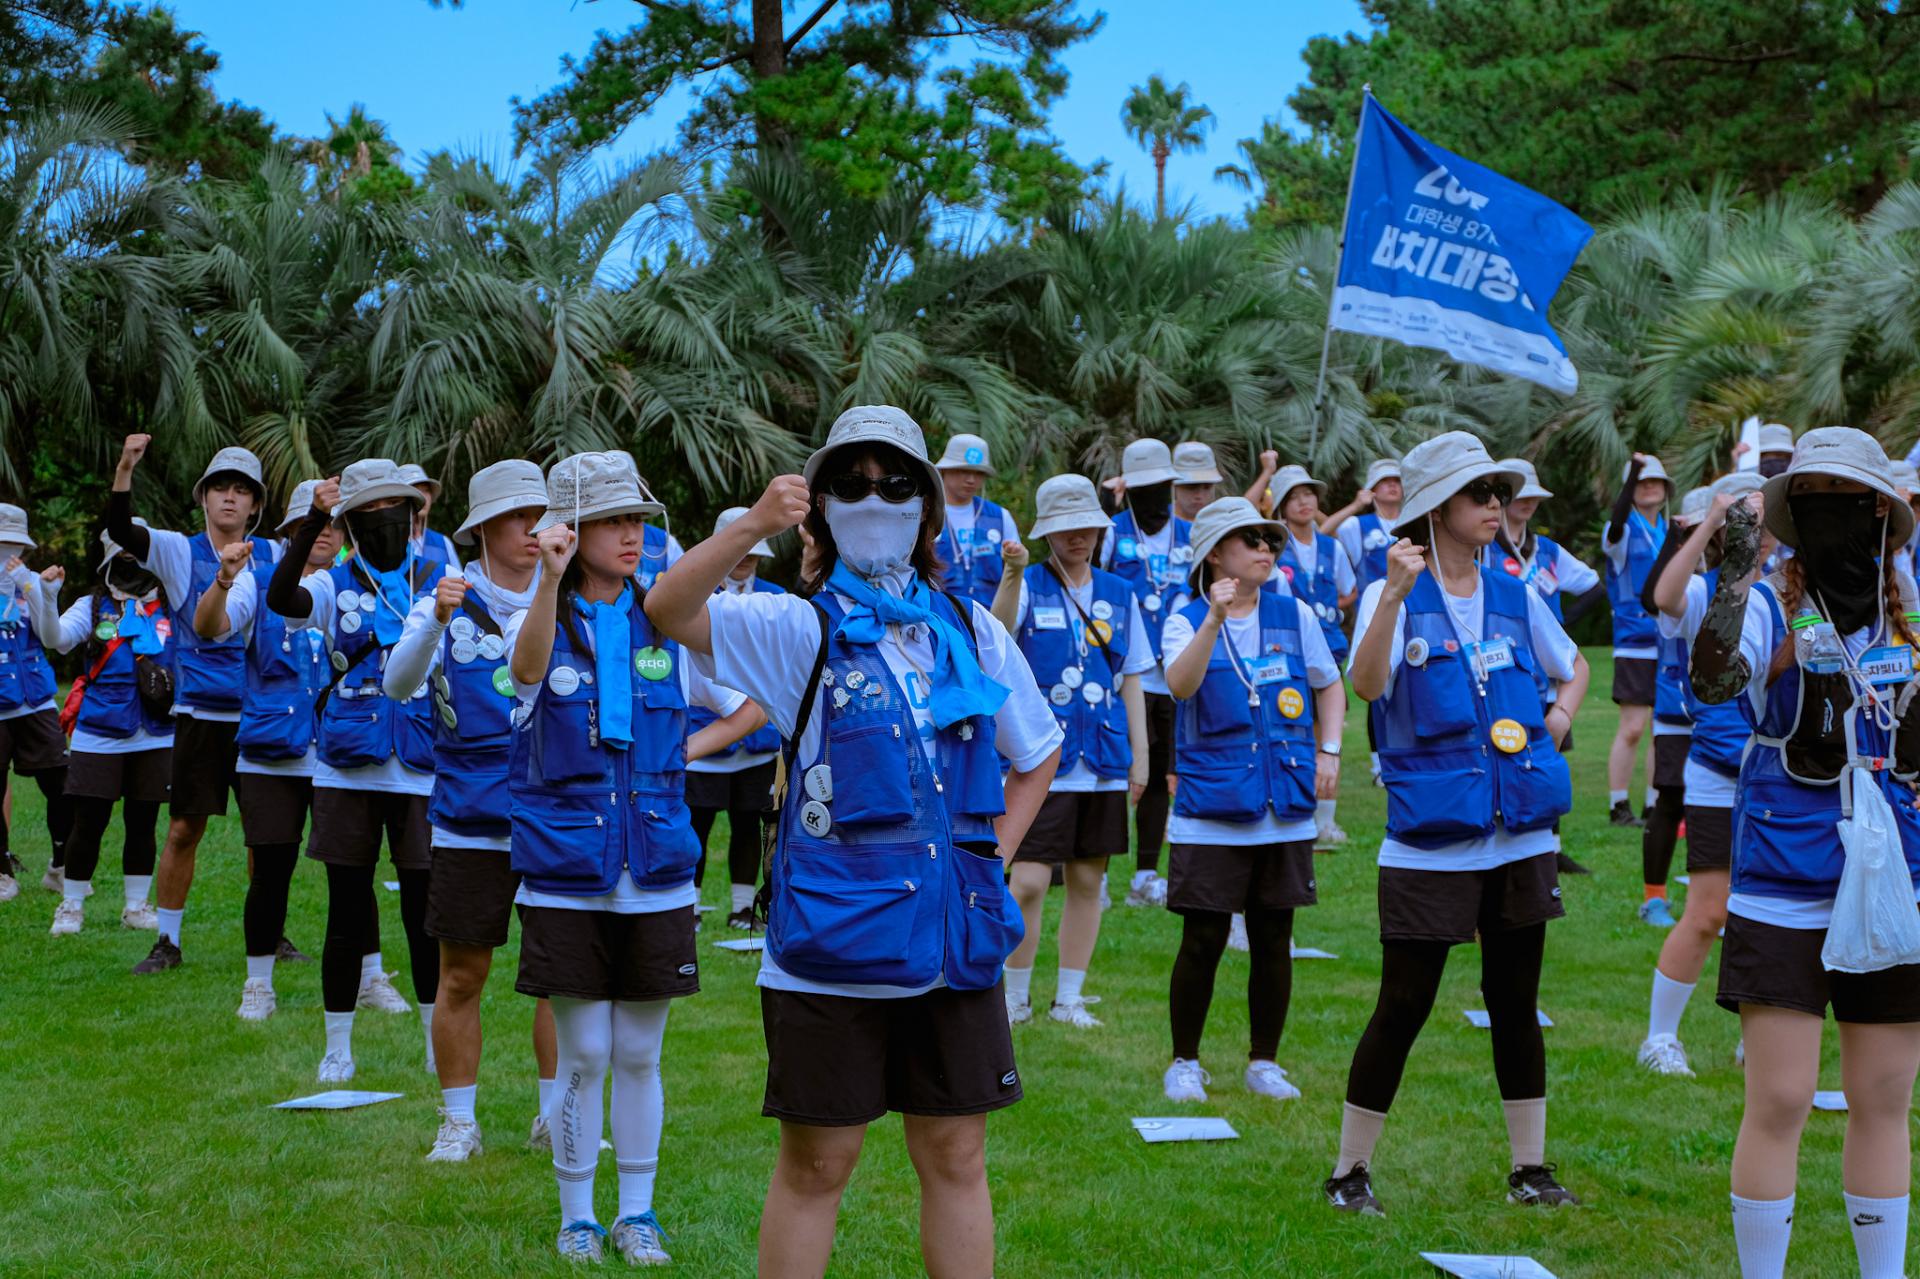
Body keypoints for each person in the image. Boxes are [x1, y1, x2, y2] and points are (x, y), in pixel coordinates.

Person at [645, 405, 1061, 1279]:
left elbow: (1038, 750)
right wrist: (755, 525)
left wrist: (987, 860)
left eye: (896, 481)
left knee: (956, 1154)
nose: (875, 498)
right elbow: (670, 607)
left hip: (951, 942)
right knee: (817, 1165)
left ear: (927, 507)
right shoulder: (795, 628)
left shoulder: (970, 628)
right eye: (851, 482)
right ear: (822, 506)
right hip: (829, 948)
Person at [507, 451, 763, 1263]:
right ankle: (577, 1216)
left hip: (655, 870)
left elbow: (752, 703)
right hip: (566, 871)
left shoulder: (668, 620)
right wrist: (547, 580)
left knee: (642, 1053)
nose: (632, 535)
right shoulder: (541, 610)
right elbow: (525, 672)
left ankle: (636, 1213)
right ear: (570, 530)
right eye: (614, 520)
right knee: (584, 1052)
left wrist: (685, 750)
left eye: (638, 521)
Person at [1325, 432, 1588, 1218]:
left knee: (1516, 1001)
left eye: (1497, 491)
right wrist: (1393, 597)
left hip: (1522, 837)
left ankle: (1531, 1168)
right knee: (1402, 1004)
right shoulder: (1392, 592)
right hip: (1430, 842)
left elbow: (1573, 664)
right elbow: (1367, 684)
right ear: (1437, 509)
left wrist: (1557, 720)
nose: (1495, 505)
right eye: (1479, 493)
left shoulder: (1513, 590)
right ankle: (1348, 1174)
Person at [1689, 427, 1920, 1279]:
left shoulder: (1911, 615)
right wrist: (1732, 570)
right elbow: (1713, 680)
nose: (1833, 517)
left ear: (1882, 514)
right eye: (1813, 499)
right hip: (1783, 881)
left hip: (1894, 884)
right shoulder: (1765, 605)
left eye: (1849, 500)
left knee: (1884, 1096)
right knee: (1781, 1097)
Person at [382, 459, 560, 1161]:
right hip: (469, 821)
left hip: (553, 818)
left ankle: (555, 1118)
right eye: (519, 517)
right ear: (483, 527)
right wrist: (435, 618)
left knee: (560, 980)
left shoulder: (566, 596)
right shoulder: (443, 598)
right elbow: (397, 685)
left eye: (541, 516)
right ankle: (459, 1121)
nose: (534, 530)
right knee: (460, 975)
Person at [266, 460, 446, 1083]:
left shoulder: (440, 580)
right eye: (364, 513)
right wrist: (313, 518)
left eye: (391, 508)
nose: (382, 522)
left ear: (411, 514)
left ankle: (436, 1042)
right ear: (347, 524)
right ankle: (337, 1047)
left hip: (422, 769)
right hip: (346, 769)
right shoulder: (330, 584)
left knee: (425, 916)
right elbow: (280, 598)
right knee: (346, 913)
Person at [1159, 497, 1343, 1104]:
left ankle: (1264, 1062)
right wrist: (1214, 619)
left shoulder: (1294, 614)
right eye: (1252, 540)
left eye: (1271, 541)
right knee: (1203, 940)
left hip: (1283, 804)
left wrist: (1330, 750)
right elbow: (1179, 685)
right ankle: (1185, 1062)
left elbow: (1329, 684)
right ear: (1216, 553)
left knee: (1273, 940)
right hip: (1212, 807)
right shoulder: (1185, 618)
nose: (1267, 549)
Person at [106, 436, 278, 974]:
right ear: (203, 497)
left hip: (260, 716)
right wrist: (125, 469)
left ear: (255, 504)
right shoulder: (179, 551)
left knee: (266, 835)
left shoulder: (274, 554)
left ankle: (271, 932)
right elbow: (122, 530)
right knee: (184, 830)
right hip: (202, 715)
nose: (230, 497)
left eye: (242, 490)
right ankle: (167, 941)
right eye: (220, 487)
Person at [990, 474, 1151, 1029]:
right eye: (1064, 529)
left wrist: (1140, 757)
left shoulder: (1120, 592)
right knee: (1028, 882)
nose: (1077, 537)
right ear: (1046, 534)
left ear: (1100, 529)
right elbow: (998, 634)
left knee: (1088, 882)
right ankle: (1015, 996)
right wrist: (1012, 574)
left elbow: (1132, 677)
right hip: (1041, 763)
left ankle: (1069, 998)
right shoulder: (1030, 583)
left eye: (1086, 526)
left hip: (1104, 760)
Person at [193, 480, 338, 1019]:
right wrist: (223, 579)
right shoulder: (256, 582)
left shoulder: (356, 587)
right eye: (310, 525)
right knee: (271, 872)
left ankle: (370, 976)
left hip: (341, 754)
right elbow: (210, 627)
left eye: (333, 525)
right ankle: (258, 985)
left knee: (350, 872)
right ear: (290, 533)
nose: (322, 534)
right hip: (271, 756)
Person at [1639, 473, 1767, 1078]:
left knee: (1769, 911)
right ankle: (1660, 1038)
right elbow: (1661, 596)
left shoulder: (1791, 590)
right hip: (1718, 772)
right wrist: (1710, 519)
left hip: (1779, 777)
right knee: (1709, 911)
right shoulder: (1701, 590)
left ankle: (1760, 1036)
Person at [46, 522, 176, 936]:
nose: (132, 563)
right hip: (99, 730)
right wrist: (45, 597)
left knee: (143, 822)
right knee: (89, 822)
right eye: (123, 555)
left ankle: (136, 907)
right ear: (107, 561)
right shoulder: (90, 605)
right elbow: (56, 639)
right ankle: (71, 905)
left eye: (139, 555)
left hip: (156, 730)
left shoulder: (173, 604)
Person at [1100, 438, 1192, 908]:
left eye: (1160, 486)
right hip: (1126, 674)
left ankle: (1145, 875)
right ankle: (1096, 874)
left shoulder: (1191, 534)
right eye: (1143, 488)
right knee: (1118, 772)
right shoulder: (1112, 532)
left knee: (1158, 776)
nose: (1154, 496)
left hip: (1175, 675)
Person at [685, 506, 785, 931]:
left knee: (749, 823)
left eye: (753, 553)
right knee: (696, 825)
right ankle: (688, 905)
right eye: (739, 550)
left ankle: (744, 908)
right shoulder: (692, 594)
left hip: (758, 738)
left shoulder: (778, 599)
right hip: (705, 728)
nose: (745, 560)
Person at [1634, 485, 1711, 926]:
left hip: (1727, 712)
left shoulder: (1742, 572)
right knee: (1671, 800)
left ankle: (1716, 896)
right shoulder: (1676, 572)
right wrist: (1677, 539)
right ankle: (1654, 898)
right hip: (1677, 708)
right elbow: (1651, 598)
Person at [1267, 464, 1354, 848]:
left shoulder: (1332, 548)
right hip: (1285, 654)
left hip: (1328, 650)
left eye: (1309, 494)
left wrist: (1327, 613)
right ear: (1280, 506)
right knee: (1289, 729)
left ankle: (1325, 821)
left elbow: (1348, 590)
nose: (1304, 502)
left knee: (1327, 735)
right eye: (1293, 496)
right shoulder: (1271, 547)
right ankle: (1291, 808)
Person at [0, 505, 73, 905]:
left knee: (62, 787)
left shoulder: (28, 581)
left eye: (15, 546)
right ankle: (1, 871)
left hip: (37, 701)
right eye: (2, 544)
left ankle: (60, 866)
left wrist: (38, 591)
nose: (9, 553)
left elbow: (50, 637)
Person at [1602, 452, 1674, 828]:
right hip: (1633, 640)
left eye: (1655, 481)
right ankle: (1618, 805)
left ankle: (1653, 803)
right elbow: (1615, 525)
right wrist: (1632, 472)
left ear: (1666, 490)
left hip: (1667, 640)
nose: (1649, 487)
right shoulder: (1623, 529)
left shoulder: (1668, 528)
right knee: (1632, 727)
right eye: (1642, 483)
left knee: (1660, 728)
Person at [1326, 458, 1404, 786]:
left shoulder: (1413, 520)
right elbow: (1321, 536)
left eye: (1396, 479)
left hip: (1414, 608)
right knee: (1377, 687)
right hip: (1374, 612)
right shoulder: (1357, 525)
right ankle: (1378, 765)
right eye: (1384, 481)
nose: (1392, 485)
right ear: (1371, 489)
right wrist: (1356, 506)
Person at [934, 433, 1019, 609]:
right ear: (944, 470)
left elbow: (1013, 576)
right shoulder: (926, 514)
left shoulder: (1000, 517)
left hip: (989, 619)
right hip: (937, 616)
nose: (971, 480)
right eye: (963, 471)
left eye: (978, 473)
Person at [396, 463, 462, 572]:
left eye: (426, 490)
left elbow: (460, 580)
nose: (422, 496)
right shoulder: (391, 545)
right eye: (415, 490)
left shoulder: (443, 543)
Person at [1170, 441, 1223, 521]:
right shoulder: (1160, 521)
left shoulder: (1222, 521)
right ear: (1174, 486)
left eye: (1207, 487)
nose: (1199, 495)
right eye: (1191, 487)